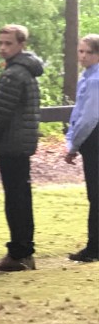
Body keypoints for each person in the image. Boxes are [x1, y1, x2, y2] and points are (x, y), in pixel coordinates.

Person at [0, 24, 44, 273]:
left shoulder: (14, 74)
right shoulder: (26, 71)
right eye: (0, 43)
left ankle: (19, 253)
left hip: (12, 144)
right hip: (21, 143)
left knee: (16, 200)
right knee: (21, 197)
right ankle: (23, 251)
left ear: (21, 44)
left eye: (8, 43)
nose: (2, 48)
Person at [64, 34, 99, 263]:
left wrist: (74, 144)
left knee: (95, 195)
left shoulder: (95, 80)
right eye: (81, 51)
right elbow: (78, 111)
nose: (83, 56)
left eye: (89, 52)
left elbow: (89, 117)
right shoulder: (86, 77)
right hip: (89, 138)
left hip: (94, 138)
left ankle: (94, 247)